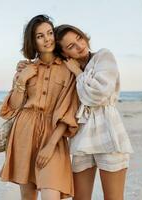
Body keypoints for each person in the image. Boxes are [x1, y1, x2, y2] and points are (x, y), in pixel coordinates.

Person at [0, 16, 79, 200]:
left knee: (52, 194)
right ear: (33, 41)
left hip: (54, 135)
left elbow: (68, 110)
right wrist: (21, 79)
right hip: (24, 132)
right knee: (28, 196)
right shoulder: (25, 69)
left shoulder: (69, 68)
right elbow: (13, 107)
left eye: (50, 33)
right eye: (40, 36)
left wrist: (50, 145)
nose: (47, 39)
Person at [54, 24, 134, 200]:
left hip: (108, 130)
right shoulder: (65, 69)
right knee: (80, 197)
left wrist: (77, 73)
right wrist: (25, 66)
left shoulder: (103, 56)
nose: (80, 46)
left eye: (79, 38)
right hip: (82, 134)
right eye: (70, 46)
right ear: (64, 54)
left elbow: (97, 95)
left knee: (113, 198)